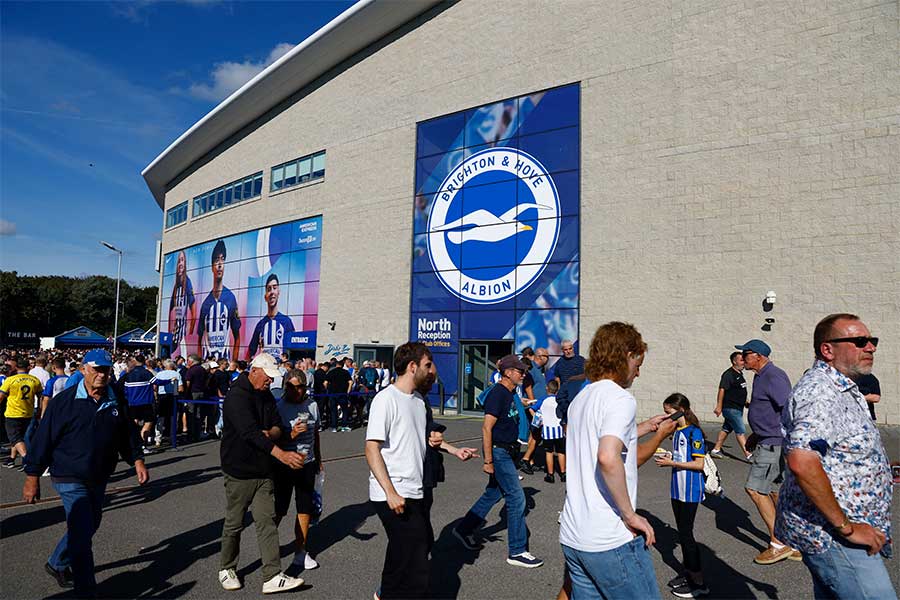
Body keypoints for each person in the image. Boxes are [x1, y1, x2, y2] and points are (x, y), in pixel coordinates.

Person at [776, 313, 895, 599]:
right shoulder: (819, 391)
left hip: (842, 529)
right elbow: (802, 461)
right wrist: (847, 527)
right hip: (835, 535)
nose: (871, 347)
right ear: (827, 349)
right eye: (859, 341)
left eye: (871, 341)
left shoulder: (843, 386)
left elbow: (836, 450)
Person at [22, 349, 149, 598]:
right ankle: (87, 590)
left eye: (106, 370)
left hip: (99, 474)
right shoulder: (64, 402)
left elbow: (127, 435)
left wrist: (137, 460)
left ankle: (57, 562)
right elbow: (43, 439)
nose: (102, 375)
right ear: (83, 371)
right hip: (69, 474)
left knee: (90, 525)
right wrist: (32, 476)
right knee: (82, 532)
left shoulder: (116, 399)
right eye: (96, 369)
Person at [558, 321, 664, 600]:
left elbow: (596, 439)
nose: (638, 372)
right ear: (626, 356)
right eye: (638, 363)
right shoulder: (620, 398)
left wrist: (644, 427)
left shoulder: (581, 398)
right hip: (609, 538)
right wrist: (630, 515)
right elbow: (607, 456)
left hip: (574, 536)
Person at [217, 352, 306, 594]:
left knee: (267, 522)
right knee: (234, 523)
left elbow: (276, 425)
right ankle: (226, 567)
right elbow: (249, 433)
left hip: (263, 469)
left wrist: (274, 434)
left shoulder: (265, 394)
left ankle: (272, 575)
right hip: (239, 470)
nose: (270, 382)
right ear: (255, 371)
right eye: (268, 377)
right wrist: (282, 455)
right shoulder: (237, 395)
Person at [454, 354, 543, 568]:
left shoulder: (510, 393)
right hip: (500, 452)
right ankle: (517, 551)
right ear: (509, 373)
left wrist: (526, 402)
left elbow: (514, 408)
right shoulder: (498, 394)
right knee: (517, 498)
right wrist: (488, 460)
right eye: (520, 371)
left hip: (510, 452)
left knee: (492, 493)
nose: (523, 374)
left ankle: (464, 529)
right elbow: (487, 428)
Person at [365, 342, 431, 599]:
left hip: (414, 488)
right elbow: (372, 449)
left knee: (403, 552)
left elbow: (414, 440)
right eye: (427, 364)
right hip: (392, 492)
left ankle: (386, 594)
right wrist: (390, 492)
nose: (430, 370)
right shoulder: (385, 399)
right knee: (416, 557)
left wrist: (447, 447)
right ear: (412, 367)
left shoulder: (418, 401)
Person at [734, 338, 798, 565]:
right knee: (774, 491)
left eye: (746, 353)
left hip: (773, 444)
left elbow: (789, 409)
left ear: (758, 356)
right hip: (768, 440)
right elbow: (768, 411)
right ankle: (792, 540)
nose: (742, 358)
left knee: (754, 489)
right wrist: (756, 434)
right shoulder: (761, 376)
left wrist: (781, 440)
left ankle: (779, 543)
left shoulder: (773, 376)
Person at [655, 393, 709, 598]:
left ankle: (699, 583)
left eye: (669, 412)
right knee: (682, 532)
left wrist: (672, 463)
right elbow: (681, 456)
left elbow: (699, 463)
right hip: (677, 489)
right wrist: (669, 456)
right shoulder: (677, 432)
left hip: (690, 491)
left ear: (682, 410)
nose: (667, 416)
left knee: (687, 536)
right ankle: (688, 573)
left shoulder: (694, 432)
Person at [273, 368, 322, 572]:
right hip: (284, 465)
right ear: (285, 386)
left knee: (305, 507)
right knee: (279, 508)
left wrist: (319, 457)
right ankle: (268, 546)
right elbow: (273, 441)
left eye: (300, 387)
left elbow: (316, 433)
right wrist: (291, 434)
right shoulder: (279, 407)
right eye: (291, 387)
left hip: (307, 464)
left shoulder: (312, 405)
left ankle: (301, 551)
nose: (296, 391)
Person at [197, 239, 241, 360]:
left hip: (225, 363)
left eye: (223, 259)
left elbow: (237, 336)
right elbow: (199, 339)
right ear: (212, 266)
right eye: (217, 260)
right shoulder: (206, 304)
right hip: (208, 364)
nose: (220, 264)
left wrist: (235, 362)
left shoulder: (231, 298)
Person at [1, 357, 42, 470]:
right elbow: (40, 396)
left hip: (13, 413)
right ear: (28, 367)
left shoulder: (10, 380)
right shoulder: (35, 380)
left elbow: (1, 396)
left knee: (15, 438)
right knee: (19, 438)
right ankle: (12, 459)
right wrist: (39, 408)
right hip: (28, 412)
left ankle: (28, 459)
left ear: (16, 367)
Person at [709, 352, 751, 459]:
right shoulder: (728, 374)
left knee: (726, 429)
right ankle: (748, 454)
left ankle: (716, 449)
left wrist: (745, 402)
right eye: (741, 360)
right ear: (734, 361)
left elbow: (737, 391)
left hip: (738, 407)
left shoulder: (739, 374)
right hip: (731, 408)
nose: (744, 363)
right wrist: (719, 406)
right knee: (740, 431)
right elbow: (722, 389)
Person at [247, 274, 295, 360]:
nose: (272, 292)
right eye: (269, 289)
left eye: (274, 288)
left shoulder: (286, 322)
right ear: (265, 296)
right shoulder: (260, 324)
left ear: (278, 292)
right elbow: (251, 350)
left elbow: (294, 348)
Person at [120, 354, 157, 453]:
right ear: (144, 361)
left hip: (132, 403)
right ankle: (141, 445)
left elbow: (124, 389)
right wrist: (170, 379)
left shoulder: (128, 374)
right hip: (145, 402)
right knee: (148, 422)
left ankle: (133, 444)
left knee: (134, 423)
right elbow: (157, 382)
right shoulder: (146, 373)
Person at [533, 379, 565, 483]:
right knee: (561, 451)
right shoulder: (559, 400)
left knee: (549, 452)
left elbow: (532, 408)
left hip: (547, 430)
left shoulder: (543, 400)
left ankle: (550, 474)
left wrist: (538, 419)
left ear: (547, 388)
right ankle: (563, 473)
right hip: (559, 430)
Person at [169, 249, 196, 357]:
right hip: (175, 332)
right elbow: (171, 309)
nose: (180, 263)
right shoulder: (176, 285)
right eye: (179, 261)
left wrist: (190, 333)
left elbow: (193, 309)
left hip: (182, 333)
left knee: (182, 354)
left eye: (182, 260)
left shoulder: (187, 283)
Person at [325, 359, 352, 432]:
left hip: (333, 393)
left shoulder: (331, 372)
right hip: (342, 393)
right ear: (342, 366)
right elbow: (350, 382)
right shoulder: (345, 372)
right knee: (345, 410)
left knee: (333, 410)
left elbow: (325, 382)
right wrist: (348, 391)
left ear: (336, 365)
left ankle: (334, 427)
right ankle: (344, 426)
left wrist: (328, 390)